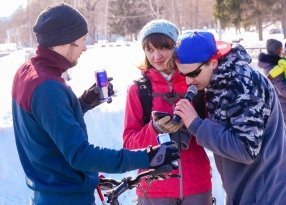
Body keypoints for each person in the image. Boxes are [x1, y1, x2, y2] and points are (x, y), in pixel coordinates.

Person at [11, 3, 179, 205]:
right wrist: (149, 157)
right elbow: (80, 155)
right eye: (82, 40)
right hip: (65, 198)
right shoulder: (49, 88)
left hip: (50, 192)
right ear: (67, 41)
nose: (85, 47)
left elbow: (49, 125)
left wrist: (83, 103)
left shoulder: (27, 72)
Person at [161, 30, 286, 204]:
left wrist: (197, 125)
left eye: (193, 74)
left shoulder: (243, 84)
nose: (189, 81)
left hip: (270, 190)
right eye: (184, 75)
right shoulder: (217, 81)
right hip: (248, 188)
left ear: (212, 63)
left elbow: (245, 149)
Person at [123, 20, 213, 205]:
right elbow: (129, 143)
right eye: (150, 50)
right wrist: (154, 129)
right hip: (154, 189)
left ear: (175, 47)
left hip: (197, 186)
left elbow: (217, 132)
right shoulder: (139, 90)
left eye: (164, 47)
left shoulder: (196, 81)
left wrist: (193, 124)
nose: (156, 56)